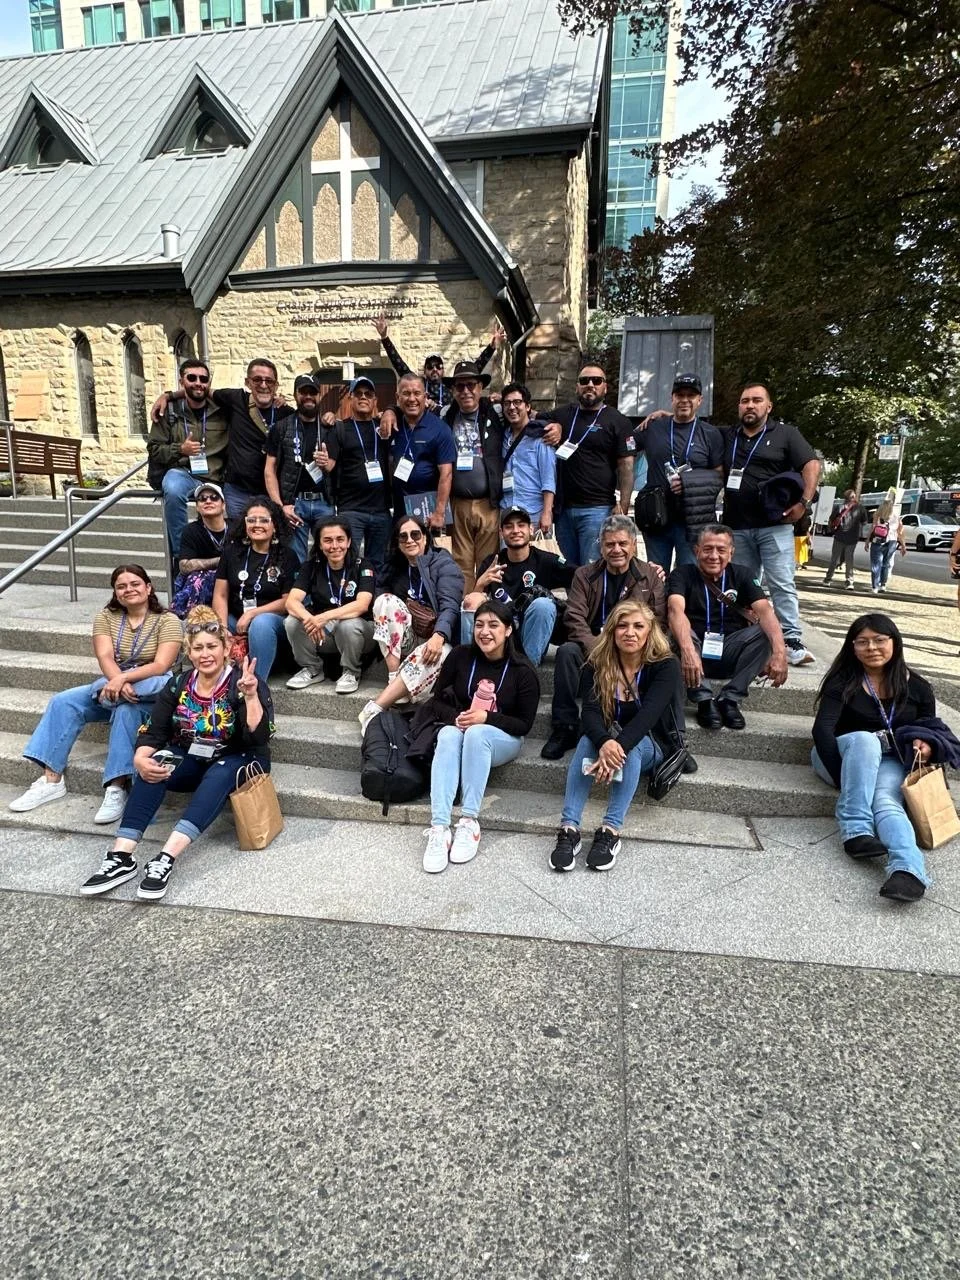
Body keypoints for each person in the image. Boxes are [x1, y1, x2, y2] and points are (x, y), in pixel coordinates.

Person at [78, 607, 275, 902]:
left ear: (225, 649)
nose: (205, 654)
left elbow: (258, 737)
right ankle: (122, 856)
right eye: (198, 648)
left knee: (220, 772)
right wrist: (140, 758)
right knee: (154, 765)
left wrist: (250, 696)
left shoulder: (244, 681)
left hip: (240, 757)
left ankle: (165, 859)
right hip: (191, 754)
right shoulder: (179, 683)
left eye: (211, 647)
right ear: (189, 652)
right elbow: (154, 730)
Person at [9, 565, 182, 824]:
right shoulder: (106, 617)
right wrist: (117, 680)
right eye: (121, 586)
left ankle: (117, 786)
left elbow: (161, 665)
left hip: (149, 689)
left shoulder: (168, 620)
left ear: (148, 587)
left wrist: (121, 679)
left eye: (135, 584)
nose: (129, 590)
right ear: (115, 592)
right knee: (64, 702)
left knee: (126, 707)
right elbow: (105, 656)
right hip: (114, 684)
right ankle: (51, 780)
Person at [549, 600, 683, 873]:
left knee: (630, 748)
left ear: (650, 631)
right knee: (587, 741)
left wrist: (615, 747)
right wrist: (604, 742)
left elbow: (649, 716)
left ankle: (610, 831)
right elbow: (589, 712)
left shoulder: (665, 665)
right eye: (622, 626)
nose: (630, 632)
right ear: (611, 630)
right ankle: (569, 829)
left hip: (651, 743)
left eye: (638, 626)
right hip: (607, 739)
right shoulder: (597, 663)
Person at [811, 613, 935, 902]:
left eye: (879, 640)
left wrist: (926, 745)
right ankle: (855, 829)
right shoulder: (842, 681)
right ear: (852, 647)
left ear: (894, 643)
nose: (872, 648)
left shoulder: (917, 687)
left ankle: (909, 871)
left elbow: (930, 729)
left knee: (887, 802)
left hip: (890, 760)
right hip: (838, 755)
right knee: (866, 740)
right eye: (862, 642)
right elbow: (822, 731)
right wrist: (847, 778)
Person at [420, 600, 541, 874]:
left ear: (508, 630)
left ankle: (468, 822)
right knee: (448, 734)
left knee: (476, 734)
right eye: (479, 625)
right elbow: (436, 701)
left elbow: (524, 725)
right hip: (462, 728)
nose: (485, 632)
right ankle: (439, 828)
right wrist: (457, 718)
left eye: (493, 625)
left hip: (502, 738)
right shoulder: (460, 656)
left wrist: (486, 718)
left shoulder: (523, 670)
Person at [541, 515, 665, 759]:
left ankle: (671, 737)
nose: (616, 549)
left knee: (668, 661)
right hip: (594, 647)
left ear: (633, 545)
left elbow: (658, 619)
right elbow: (574, 617)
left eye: (622, 543)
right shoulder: (584, 574)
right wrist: (598, 649)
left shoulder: (649, 575)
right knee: (567, 652)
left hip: (634, 648)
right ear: (601, 546)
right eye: (610, 544)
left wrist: (632, 649)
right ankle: (565, 727)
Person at [720, 383, 820, 666]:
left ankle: (791, 639)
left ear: (769, 406)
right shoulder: (729, 435)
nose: (750, 405)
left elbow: (811, 465)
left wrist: (804, 503)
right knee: (743, 585)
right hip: (737, 526)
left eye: (756, 400)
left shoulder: (786, 434)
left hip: (774, 525)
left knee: (781, 582)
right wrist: (662, 414)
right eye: (745, 401)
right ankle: (745, 634)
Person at [667, 523, 787, 730]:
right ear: (696, 551)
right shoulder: (682, 574)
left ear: (731, 553)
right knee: (678, 630)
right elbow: (675, 610)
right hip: (693, 654)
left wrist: (780, 652)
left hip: (730, 650)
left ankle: (730, 699)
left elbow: (765, 611)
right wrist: (687, 651)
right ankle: (704, 700)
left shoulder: (743, 574)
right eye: (707, 549)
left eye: (721, 550)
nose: (714, 556)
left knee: (765, 632)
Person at [358, 515, 464, 733]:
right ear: (397, 542)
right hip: (409, 636)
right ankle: (394, 678)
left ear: (425, 537)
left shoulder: (443, 564)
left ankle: (375, 707)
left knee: (434, 653)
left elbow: (450, 606)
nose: (409, 540)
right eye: (403, 536)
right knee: (384, 601)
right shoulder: (395, 566)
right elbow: (382, 601)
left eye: (415, 534)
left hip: (439, 638)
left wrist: (439, 635)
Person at [152, 358, 294, 521]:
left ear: (276, 385)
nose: (263, 385)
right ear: (247, 382)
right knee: (237, 534)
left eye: (269, 381)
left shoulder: (287, 413)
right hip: (238, 491)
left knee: (269, 534)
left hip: (271, 491)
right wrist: (167, 396)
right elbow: (200, 390)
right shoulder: (236, 399)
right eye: (257, 380)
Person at [543, 363, 637, 566]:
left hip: (597, 509)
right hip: (563, 511)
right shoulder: (563, 415)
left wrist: (623, 506)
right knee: (570, 570)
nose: (590, 385)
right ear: (577, 386)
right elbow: (528, 418)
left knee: (592, 569)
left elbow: (627, 467)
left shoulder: (618, 421)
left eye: (597, 381)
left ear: (605, 387)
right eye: (584, 380)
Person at [633, 373, 725, 573]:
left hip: (692, 520)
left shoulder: (710, 433)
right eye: (680, 395)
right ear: (672, 398)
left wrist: (689, 482)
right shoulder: (653, 427)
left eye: (691, 396)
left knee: (689, 577)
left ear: (700, 400)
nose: (685, 400)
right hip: (657, 517)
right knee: (656, 576)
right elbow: (622, 448)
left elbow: (719, 476)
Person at [461, 506, 575, 664]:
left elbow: (582, 576)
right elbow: (475, 605)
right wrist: (480, 584)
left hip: (532, 634)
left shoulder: (545, 560)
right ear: (501, 533)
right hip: (500, 634)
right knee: (470, 600)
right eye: (509, 526)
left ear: (531, 529)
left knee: (543, 605)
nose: (515, 530)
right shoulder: (492, 563)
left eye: (521, 525)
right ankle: (470, 664)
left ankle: (526, 670)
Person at [146, 359, 227, 562]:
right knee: (172, 488)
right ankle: (183, 555)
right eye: (192, 378)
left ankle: (228, 559)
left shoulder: (223, 408)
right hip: (184, 473)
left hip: (217, 476)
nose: (198, 383)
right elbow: (154, 449)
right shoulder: (169, 411)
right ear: (182, 381)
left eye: (203, 379)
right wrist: (180, 449)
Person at [284, 517, 377, 694]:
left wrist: (324, 617)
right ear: (319, 544)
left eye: (340, 539)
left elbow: (362, 605)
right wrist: (310, 619)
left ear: (348, 542)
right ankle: (312, 668)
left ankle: (351, 672)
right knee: (292, 621)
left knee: (348, 625)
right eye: (327, 540)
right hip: (324, 634)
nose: (334, 546)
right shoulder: (311, 567)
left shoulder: (363, 566)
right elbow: (291, 602)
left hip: (360, 634)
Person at [212, 499, 298, 681]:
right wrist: (222, 628)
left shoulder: (287, 556)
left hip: (272, 622)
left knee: (261, 623)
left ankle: (255, 684)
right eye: (251, 520)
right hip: (236, 619)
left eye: (264, 520)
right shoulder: (231, 552)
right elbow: (220, 594)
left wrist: (252, 614)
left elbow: (288, 601)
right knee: (206, 623)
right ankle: (214, 682)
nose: (257, 525)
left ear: (275, 525)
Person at [439, 360, 506, 592]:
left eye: (471, 385)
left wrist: (553, 425)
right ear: (453, 390)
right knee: (461, 562)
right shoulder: (446, 415)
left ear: (480, 387)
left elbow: (527, 414)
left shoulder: (496, 412)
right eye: (460, 386)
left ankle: (486, 605)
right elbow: (411, 410)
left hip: (488, 502)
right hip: (458, 502)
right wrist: (390, 411)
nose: (466, 391)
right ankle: (466, 605)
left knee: (489, 561)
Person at [264, 374, 335, 564]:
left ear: (319, 395)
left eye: (313, 392)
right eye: (304, 392)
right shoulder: (281, 427)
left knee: (329, 559)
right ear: (295, 394)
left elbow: (337, 466)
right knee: (296, 562)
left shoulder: (330, 427)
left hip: (324, 503)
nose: (308, 396)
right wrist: (280, 506)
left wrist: (326, 464)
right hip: (293, 505)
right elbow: (269, 469)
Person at [323, 375, 391, 566]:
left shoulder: (383, 427)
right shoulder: (340, 428)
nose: (363, 397)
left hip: (381, 510)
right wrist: (322, 460)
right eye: (358, 393)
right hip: (351, 510)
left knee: (378, 565)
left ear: (375, 400)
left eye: (368, 394)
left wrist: (389, 412)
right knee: (347, 562)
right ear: (350, 398)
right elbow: (329, 465)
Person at [373, 315, 502, 414]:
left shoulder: (452, 386)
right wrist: (385, 338)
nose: (434, 369)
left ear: (443, 370)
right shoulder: (420, 384)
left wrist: (491, 347)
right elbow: (400, 365)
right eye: (430, 366)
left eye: (438, 366)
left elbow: (475, 368)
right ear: (424, 371)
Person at [377, 374, 455, 535]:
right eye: (406, 393)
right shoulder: (392, 424)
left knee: (428, 550)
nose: (412, 399)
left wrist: (439, 512)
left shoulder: (440, 429)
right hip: (399, 509)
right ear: (398, 397)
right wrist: (389, 411)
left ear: (425, 397)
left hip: (427, 509)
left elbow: (446, 474)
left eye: (417, 393)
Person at [499, 382, 557, 531]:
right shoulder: (502, 436)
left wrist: (547, 512)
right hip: (506, 511)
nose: (512, 407)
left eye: (517, 402)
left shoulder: (541, 437)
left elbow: (548, 478)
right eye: (507, 403)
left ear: (528, 406)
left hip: (534, 512)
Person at [170, 482, 229, 618]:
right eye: (202, 499)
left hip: (231, 577)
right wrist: (221, 561)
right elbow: (184, 566)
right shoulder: (191, 530)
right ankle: (194, 620)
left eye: (214, 497)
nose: (208, 501)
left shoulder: (236, 527)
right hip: (202, 585)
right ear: (197, 507)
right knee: (198, 578)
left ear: (223, 505)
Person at [822, 489, 866, 589]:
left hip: (839, 536)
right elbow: (864, 522)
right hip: (852, 537)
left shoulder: (839, 507)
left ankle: (828, 579)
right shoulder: (860, 508)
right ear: (853, 497)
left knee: (834, 559)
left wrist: (833, 528)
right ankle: (849, 581)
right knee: (849, 559)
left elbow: (831, 519)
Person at [866, 500, 905, 593]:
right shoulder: (896, 517)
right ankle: (883, 585)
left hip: (877, 541)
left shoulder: (877, 515)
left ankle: (875, 586)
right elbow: (900, 532)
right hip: (892, 542)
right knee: (886, 564)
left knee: (876, 564)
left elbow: (873, 527)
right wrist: (903, 545)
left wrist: (867, 540)